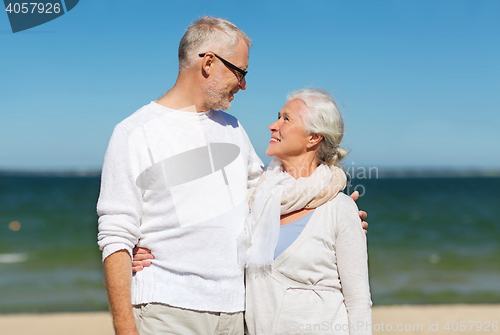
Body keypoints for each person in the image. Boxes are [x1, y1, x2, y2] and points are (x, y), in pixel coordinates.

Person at [100, 16, 368, 335]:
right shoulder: (134, 134)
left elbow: (269, 196)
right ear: (209, 63)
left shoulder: (232, 129)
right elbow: (116, 235)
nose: (243, 84)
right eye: (240, 72)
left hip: (236, 315)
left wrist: (332, 214)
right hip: (168, 313)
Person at [242, 88, 372, 334]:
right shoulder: (255, 199)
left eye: (286, 119)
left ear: (314, 137)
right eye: (277, 116)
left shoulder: (339, 209)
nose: (273, 125)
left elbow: (358, 303)